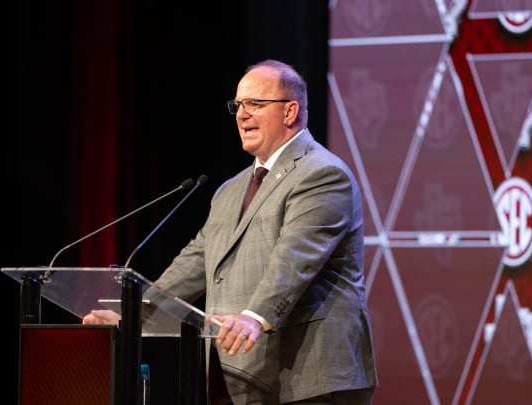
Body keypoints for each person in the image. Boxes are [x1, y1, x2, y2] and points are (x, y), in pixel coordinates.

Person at [83, 59, 378, 404]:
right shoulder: (230, 190)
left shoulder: (322, 174)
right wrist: (132, 315)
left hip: (310, 376)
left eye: (255, 103)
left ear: (290, 111)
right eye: (238, 105)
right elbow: (194, 264)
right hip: (243, 376)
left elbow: (295, 259)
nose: (242, 114)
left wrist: (255, 317)